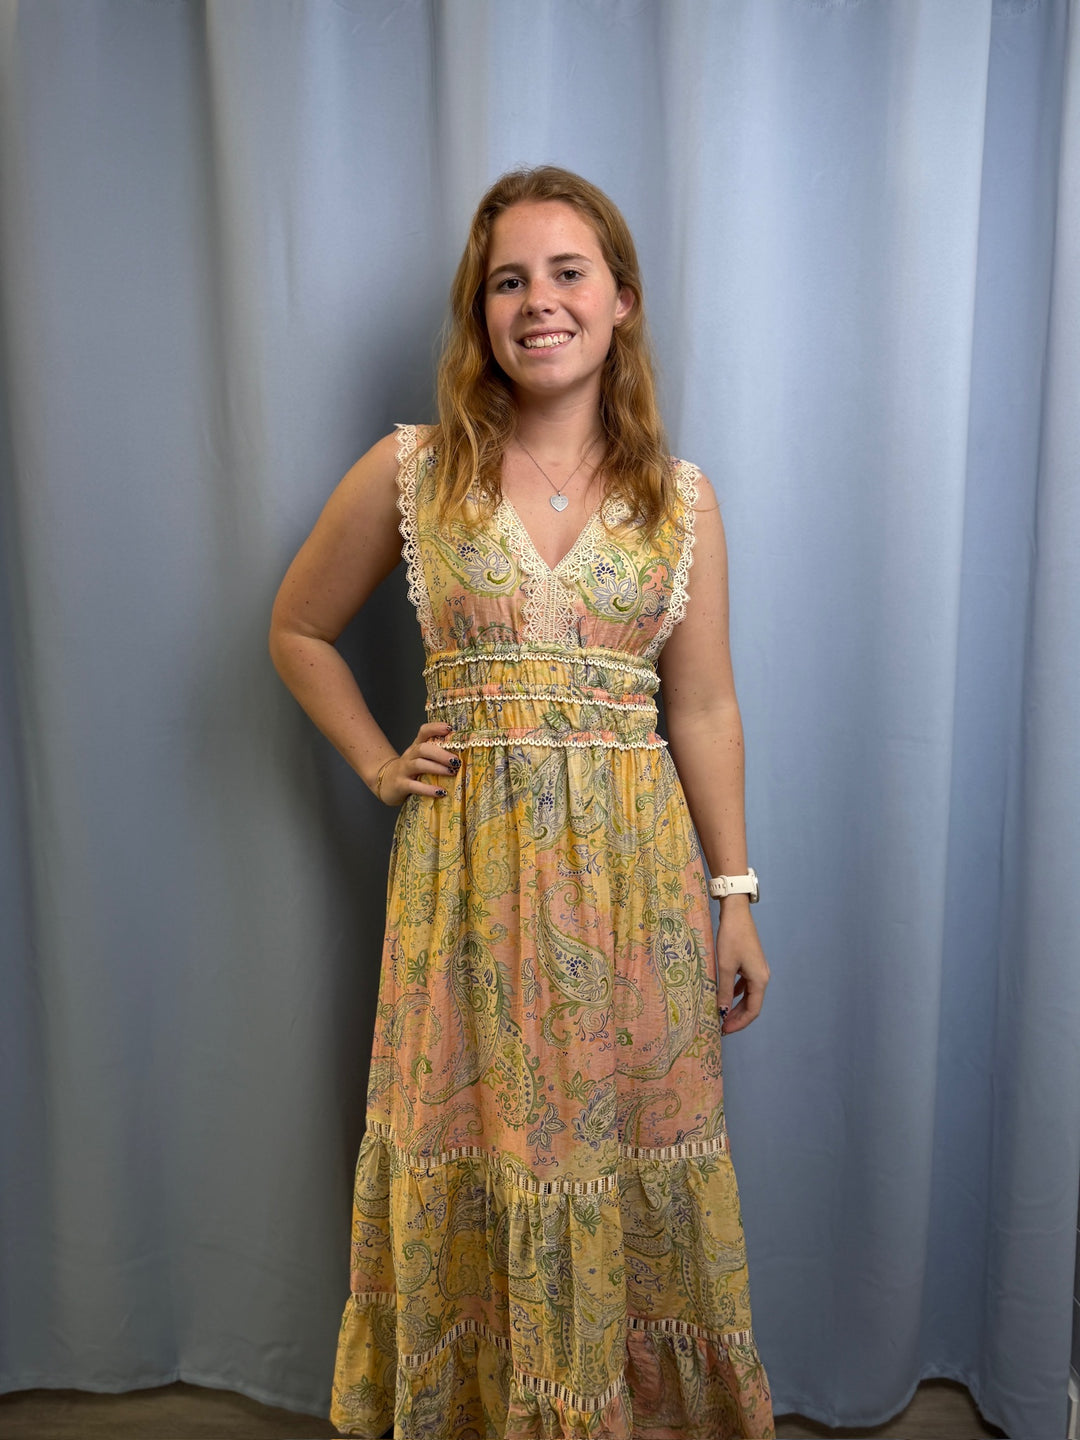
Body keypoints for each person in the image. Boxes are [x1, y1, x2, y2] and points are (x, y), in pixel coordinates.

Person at [268, 165, 774, 1440]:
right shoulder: (416, 470)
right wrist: (384, 765)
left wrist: (735, 897)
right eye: (508, 280)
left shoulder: (683, 502)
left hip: (632, 898)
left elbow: (703, 711)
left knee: (622, 1166)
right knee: (488, 1161)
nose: (538, 301)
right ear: (480, 311)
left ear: (622, 303)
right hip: (469, 893)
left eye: (566, 273)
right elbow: (296, 628)